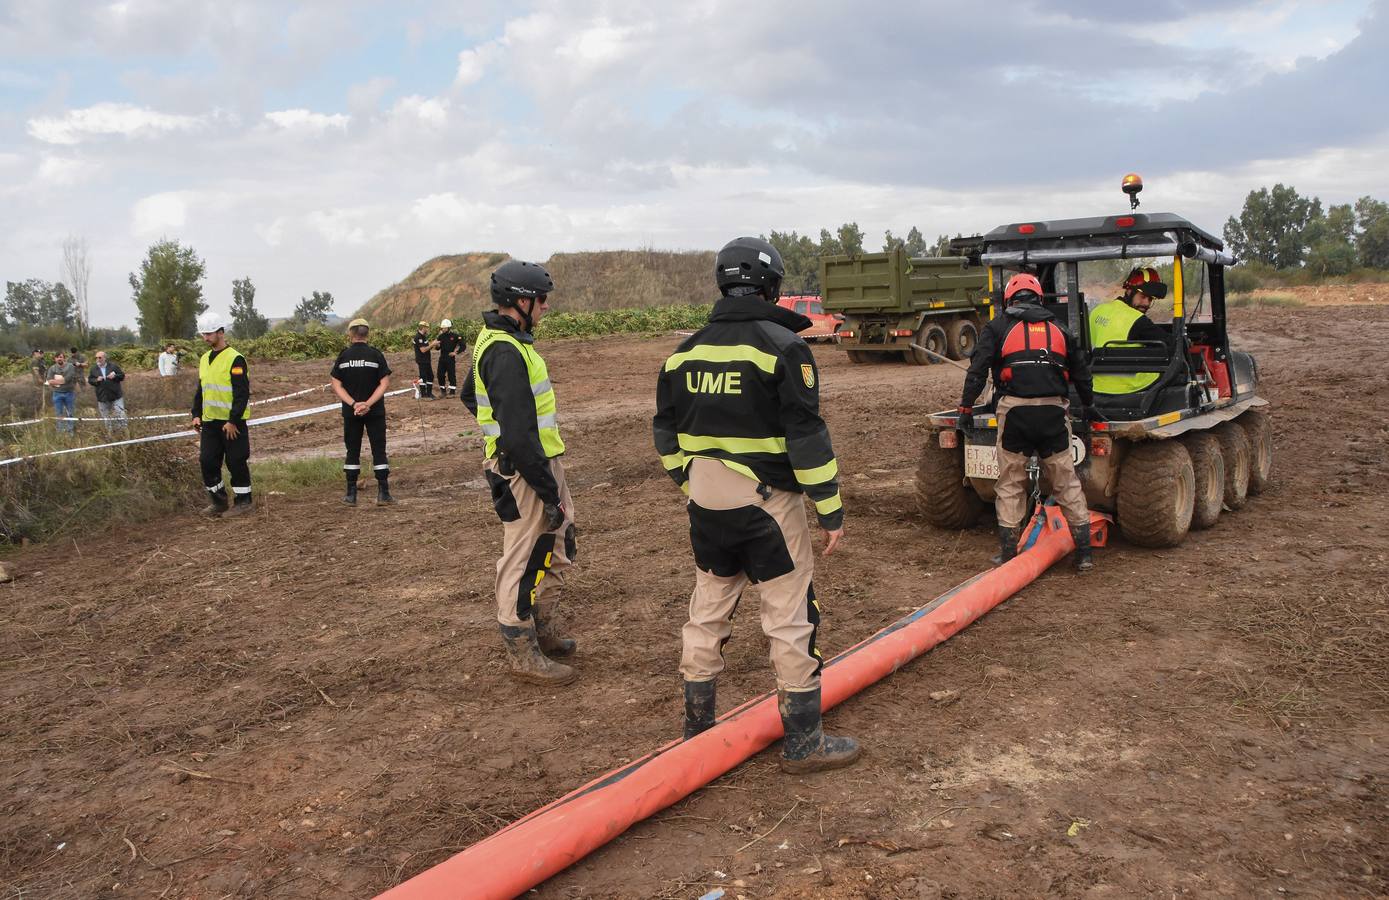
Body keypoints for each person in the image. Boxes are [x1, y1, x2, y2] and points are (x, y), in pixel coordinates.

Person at [654, 236, 858, 774]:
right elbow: (806, 435)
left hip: (705, 502)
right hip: (768, 505)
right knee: (789, 614)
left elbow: (665, 430)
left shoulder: (684, 353)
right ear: (771, 286)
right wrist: (830, 509)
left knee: (709, 606)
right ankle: (803, 742)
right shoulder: (783, 348)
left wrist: (690, 482)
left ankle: (697, 731)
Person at [461, 260, 578, 686]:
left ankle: (542, 627)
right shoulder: (504, 350)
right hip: (525, 468)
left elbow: (468, 395)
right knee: (524, 555)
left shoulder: (507, 341)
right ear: (521, 301)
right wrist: (544, 488)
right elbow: (517, 431)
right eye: (542, 300)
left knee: (558, 543)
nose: (547, 307)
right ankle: (520, 645)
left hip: (537, 461)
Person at [958, 272, 1098, 571]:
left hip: (1015, 413)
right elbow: (1082, 373)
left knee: (1010, 483)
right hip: (1053, 414)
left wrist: (966, 407)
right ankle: (1084, 553)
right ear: (1039, 297)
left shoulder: (996, 328)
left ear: (1009, 298)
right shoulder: (1061, 328)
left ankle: (1008, 553)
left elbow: (978, 370)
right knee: (1065, 481)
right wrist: (1089, 405)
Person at [190, 312, 253, 517]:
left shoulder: (235, 359)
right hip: (210, 422)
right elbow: (202, 389)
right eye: (203, 334)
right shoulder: (204, 359)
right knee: (207, 461)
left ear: (221, 332)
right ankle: (219, 502)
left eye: (209, 333)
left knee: (235, 461)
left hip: (232, 424)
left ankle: (244, 501)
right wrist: (196, 413)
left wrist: (233, 420)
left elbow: (241, 393)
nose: (205, 338)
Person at [330, 318, 394, 506]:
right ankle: (383, 493)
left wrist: (353, 404)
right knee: (379, 450)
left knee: (352, 450)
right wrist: (368, 404)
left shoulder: (343, 356)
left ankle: (351, 494)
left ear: (350, 334)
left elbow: (336, 383)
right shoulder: (376, 355)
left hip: (352, 413)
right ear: (368, 333)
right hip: (374, 412)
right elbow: (384, 383)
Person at [1088, 266, 1173, 396]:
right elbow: (1172, 345)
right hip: (1128, 387)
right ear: (1128, 291)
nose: (1146, 303)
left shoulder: (1097, 311)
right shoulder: (1137, 320)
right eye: (1143, 296)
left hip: (1096, 384)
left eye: (1151, 299)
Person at [87, 351, 127, 431]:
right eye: (96, 358)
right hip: (102, 397)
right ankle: (110, 433)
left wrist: (115, 376)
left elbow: (122, 376)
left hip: (116, 395)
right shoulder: (93, 369)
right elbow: (90, 380)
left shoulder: (113, 366)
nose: (98, 359)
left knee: (120, 414)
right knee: (106, 417)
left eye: (100, 357)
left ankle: (123, 431)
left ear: (105, 358)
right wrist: (96, 380)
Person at [44, 351, 79, 434]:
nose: (59, 358)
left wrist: (55, 381)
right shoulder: (52, 368)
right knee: (59, 414)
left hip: (69, 393)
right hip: (57, 393)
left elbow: (68, 379)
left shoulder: (70, 366)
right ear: (55, 359)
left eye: (61, 357)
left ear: (64, 358)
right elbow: (49, 381)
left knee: (70, 413)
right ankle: (60, 432)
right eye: (57, 357)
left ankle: (71, 432)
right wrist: (60, 381)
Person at [435, 318, 465, 397]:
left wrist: (456, 352)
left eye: (444, 328)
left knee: (451, 374)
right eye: (442, 328)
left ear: (448, 327)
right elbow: (437, 348)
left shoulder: (455, 336)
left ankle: (452, 392)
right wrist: (437, 345)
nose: (443, 329)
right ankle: (443, 391)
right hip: (442, 358)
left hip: (450, 358)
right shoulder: (440, 336)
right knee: (440, 374)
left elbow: (463, 345)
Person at [412, 321, 438, 399]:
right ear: (423, 328)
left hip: (426, 360)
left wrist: (433, 344)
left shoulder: (423, 336)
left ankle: (429, 393)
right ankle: (424, 394)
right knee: (423, 377)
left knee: (430, 376)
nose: (428, 329)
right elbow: (423, 350)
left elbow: (426, 346)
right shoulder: (418, 337)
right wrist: (432, 344)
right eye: (427, 328)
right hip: (422, 360)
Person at [29, 350, 46, 415]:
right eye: (38, 353)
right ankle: (39, 411)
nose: (39, 354)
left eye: (39, 353)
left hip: (40, 380)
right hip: (37, 381)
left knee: (41, 395)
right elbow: (36, 371)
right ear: (34, 354)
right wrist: (39, 379)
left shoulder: (38, 361)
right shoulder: (35, 361)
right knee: (39, 396)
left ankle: (40, 410)